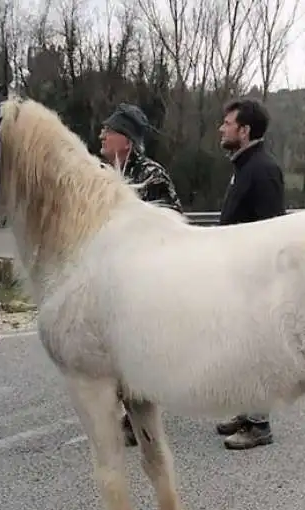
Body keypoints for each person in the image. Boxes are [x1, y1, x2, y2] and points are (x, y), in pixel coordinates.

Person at [98, 102, 182, 446]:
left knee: (138, 352)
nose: (101, 134)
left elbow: (173, 225)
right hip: (109, 278)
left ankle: (139, 420)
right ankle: (126, 412)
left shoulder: (151, 175)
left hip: (145, 280)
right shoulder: (100, 175)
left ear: (127, 141)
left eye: (109, 130)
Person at [215, 97, 285, 451]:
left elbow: (271, 231)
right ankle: (246, 413)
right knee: (242, 350)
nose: (222, 128)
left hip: (255, 280)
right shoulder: (244, 166)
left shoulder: (263, 169)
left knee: (256, 350)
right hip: (237, 277)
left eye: (228, 123)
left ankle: (259, 424)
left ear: (245, 131)